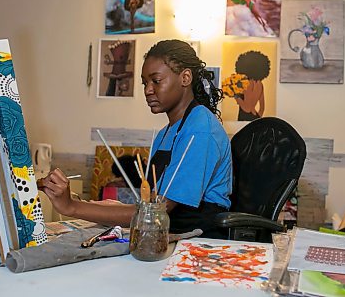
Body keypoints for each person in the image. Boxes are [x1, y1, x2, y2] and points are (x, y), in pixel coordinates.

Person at [38, 39, 232, 239]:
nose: (148, 90)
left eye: (156, 81)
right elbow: (152, 204)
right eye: (145, 83)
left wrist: (72, 207)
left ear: (185, 78)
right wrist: (102, 206)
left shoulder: (200, 130)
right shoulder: (166, 133)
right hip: (163, 235)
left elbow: (155, 210)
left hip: (197, 241)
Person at [233, 50, 270, 121]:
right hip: (255, 116)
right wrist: (257, 117)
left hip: (245, 118)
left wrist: (236, 96)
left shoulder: (247, 84)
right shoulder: (260, 84)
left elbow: (247, 108)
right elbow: (262, 108)